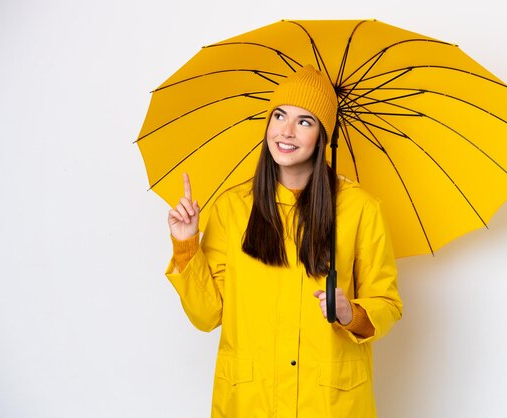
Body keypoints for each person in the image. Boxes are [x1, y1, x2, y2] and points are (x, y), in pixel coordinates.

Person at [165, 65, 402, 417]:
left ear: (323, 135)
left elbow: (388, 302)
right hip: (250, 401)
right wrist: (186, 245)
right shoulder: (233, 207)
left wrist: (351, 313)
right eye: (279, 116)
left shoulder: (359, 209)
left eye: (305, 121)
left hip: (327, 403)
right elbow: (207, 315)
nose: (286, 131)